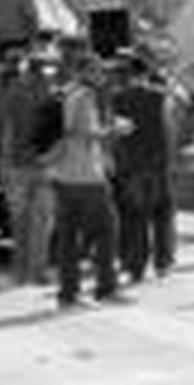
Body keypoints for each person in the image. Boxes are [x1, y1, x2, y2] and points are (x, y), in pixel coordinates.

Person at [46, 39, 127, 308]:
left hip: (61, 173)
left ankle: (68, 293)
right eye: (97, 71)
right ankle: (106, 287)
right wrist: (114, 131)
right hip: (86, 175)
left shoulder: (63, 92)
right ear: (85, 71)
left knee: (68, 236)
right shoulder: (85, 96)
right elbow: (84, 132)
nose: (101, 76)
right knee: (108, 229)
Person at [0, 43, 57, 285]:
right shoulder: (52, 94)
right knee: (42, 220)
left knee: (21, 220)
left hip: (19, 164)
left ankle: (21, 272)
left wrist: (4, 163)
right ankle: (37, 271)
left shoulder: (13, 93)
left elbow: (6, 130)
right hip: (44, 163)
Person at [110, 51, 175, 283]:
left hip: (131, 165)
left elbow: (116, 135)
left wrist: (118, 162)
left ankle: (136, 265)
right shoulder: (161, 96)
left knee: (135, 216)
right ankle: (163, 262)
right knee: (162, 214)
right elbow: (169, 130)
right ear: (146, 72)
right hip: (158, 163)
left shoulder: (118, 99)